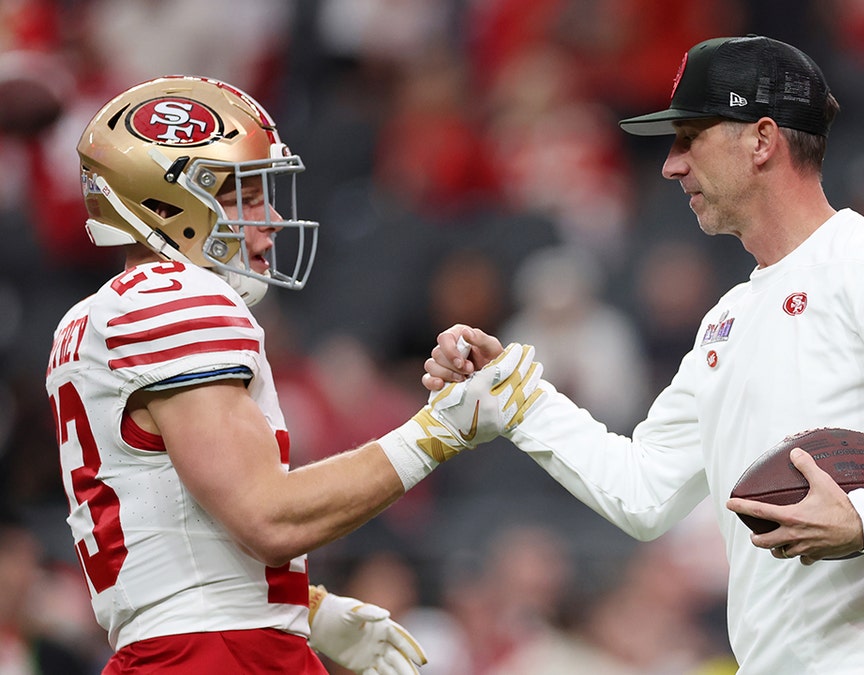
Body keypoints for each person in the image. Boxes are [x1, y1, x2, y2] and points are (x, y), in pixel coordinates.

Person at [422, 35, 864, 673]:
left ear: (762, 140)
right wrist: (513, 396)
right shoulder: (726, 320)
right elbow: (644, 491)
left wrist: (863, 517)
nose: (670, 165)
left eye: (690, 137)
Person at [46, 75, 541, 674]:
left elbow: (169, 521)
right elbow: (266, 517)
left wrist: (302, 606)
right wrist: (437, 431)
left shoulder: (95, 316)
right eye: (246, 197)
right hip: (218, 655)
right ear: (167, 205)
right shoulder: (182, 300)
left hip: (180, 649)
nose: (273, 220)